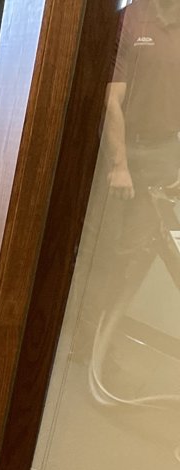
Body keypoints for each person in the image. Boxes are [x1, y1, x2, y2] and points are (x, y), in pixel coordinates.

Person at [81, 0, 180, 365]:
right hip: (124, 151)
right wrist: (119, 166)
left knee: (134, 256)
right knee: (101, 250)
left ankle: (104, 341)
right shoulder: (131, 19)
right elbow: (111, 100)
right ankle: (82, 342)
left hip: (164, 153)